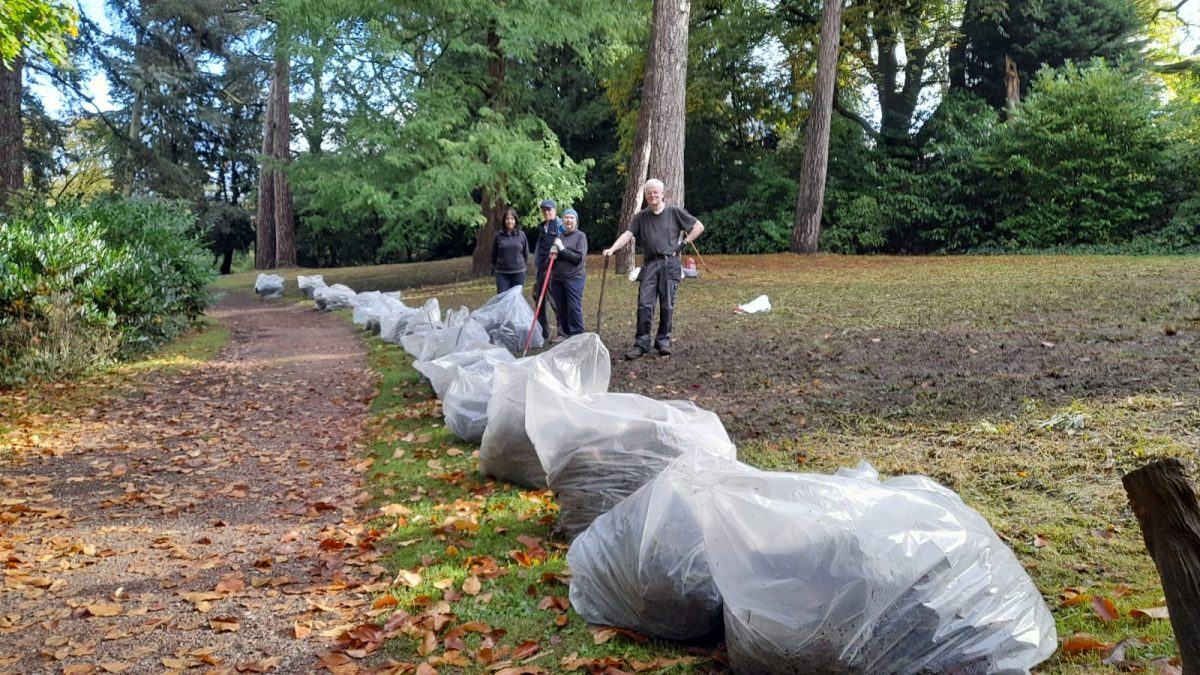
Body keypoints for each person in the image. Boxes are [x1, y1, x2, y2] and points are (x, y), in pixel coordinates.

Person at [601, 178, 705, 359]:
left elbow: (698, 227)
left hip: (669, 264)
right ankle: (641, 343)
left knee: (667, 304)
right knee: (644, 304)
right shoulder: (641, 217)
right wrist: (612, 249)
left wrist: (683, 244)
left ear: (663, 194)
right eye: (649, 193)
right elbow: (628, 234)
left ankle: (663, 342)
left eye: (656, 192)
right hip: (649, 265)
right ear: (646, 197)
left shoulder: (674, 212)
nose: (653, 196)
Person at [548, 208, 587, 343]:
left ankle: (578, 335)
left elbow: (578, 259)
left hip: (574, 278)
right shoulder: (561, 237)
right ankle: (565, 334)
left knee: (573, 306)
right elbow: (556, 259)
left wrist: (563, 249)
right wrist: (553, 253)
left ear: (576, 221)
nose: (569, 220)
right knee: (561, 307)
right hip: (558, 278)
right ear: (562, 220)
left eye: (571, 218)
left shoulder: (580, 236)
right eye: (566, 218)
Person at [532, 198, 564, 341]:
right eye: (544, 210)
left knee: (555, 300)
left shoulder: (559, 225)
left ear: (555, 211)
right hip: (541, 269)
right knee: (538, 300)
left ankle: (563, 331)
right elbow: (540, 248)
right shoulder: (542, 227)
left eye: (549, 209)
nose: (546, 212)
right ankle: (543, 333)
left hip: (553, 269)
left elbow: (565, 244)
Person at [491, 207, 530, 293]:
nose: (510, 221)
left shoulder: (521, 235)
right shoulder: (498, 236)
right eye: (507, 219)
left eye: (512, 219)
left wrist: (522, 265)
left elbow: (526, 253)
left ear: (515, 220)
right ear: (504, 221)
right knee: (503, 299)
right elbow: (494, 254)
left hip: (518, 272)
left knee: (516, 299)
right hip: (502, 273)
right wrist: (495, 267)